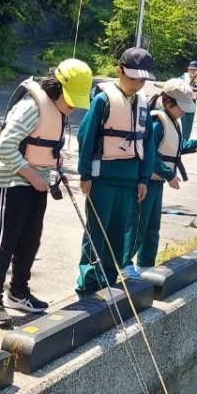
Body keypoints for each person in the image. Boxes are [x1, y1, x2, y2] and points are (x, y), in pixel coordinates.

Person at [0, 58, 93, 327]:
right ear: (57, 87)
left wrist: (55, 165)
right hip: (13, 183)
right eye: (71, 100)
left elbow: (46, 145)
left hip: (38, 184)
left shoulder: (58, 111)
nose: (73, 107)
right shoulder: (31, 107)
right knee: (5, 240)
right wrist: (29, 173)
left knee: (31, 240)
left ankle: (19, 291)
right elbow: (4, 146)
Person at [75, 47, 157, 293]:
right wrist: (85, 173)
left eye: (142, 80)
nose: (137, 84)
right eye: (133, 78)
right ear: (119, 71)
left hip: (130, 179)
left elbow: (148, 143)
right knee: (97, 231)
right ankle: (89, 280)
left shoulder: (143, 103)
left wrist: (144, 178)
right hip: (102, 178)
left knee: (119, 232)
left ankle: (109, 278)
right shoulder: (103, 100)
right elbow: (86, 137)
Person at [132, 78, 197, 269]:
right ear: (168, 101)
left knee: (152, 228)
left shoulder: (173, 120)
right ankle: (127, 268)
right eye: (181, 106)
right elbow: (150, 155)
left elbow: (175, 146)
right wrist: (169, 174)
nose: (183, 111)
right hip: (146, 182)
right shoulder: (157, 121)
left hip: (157, 183)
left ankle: (146, 266)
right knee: (138, 227)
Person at [181, 60, 197, 141]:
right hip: (181, 105)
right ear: (188, 70)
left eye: (195, 70)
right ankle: (178, 139)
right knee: (180, 123)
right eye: (191, 69)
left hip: (191, 106)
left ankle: (185, 141)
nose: (193, 71)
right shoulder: (182, 78)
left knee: (188, 125)